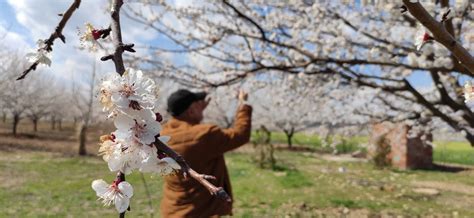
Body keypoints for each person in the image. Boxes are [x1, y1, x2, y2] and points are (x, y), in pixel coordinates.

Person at [160, 89, 252, 217]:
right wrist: (243, 103)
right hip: (201, 211)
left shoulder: (160, 134)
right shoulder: (206, 134)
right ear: (191, 110)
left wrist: (197, 111)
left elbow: (191, 134)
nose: (202, 105)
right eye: (198, 104)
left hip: (172, 208)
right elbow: (240, 135)